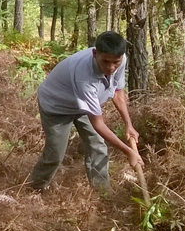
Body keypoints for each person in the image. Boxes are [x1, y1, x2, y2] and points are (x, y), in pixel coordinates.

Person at [27, 31, 144, 193]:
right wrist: (128, 152)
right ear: (95, 54)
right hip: (57, 106)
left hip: (83, 105)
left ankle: (102, 192)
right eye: (105, 62)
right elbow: (98, 123)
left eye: (115, 63)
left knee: (98, 145)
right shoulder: (84, 75)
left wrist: (128, 125)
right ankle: (35, 189)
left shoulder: (121, 60)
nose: (111, 68)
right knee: (55, 153)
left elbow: (118, 91)